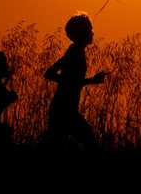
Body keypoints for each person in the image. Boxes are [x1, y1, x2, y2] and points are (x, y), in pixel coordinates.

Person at [44, 13, 109, 150]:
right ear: (82, 33)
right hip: (65, 109)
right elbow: (52, 75)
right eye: (89, 30)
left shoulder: (74, 51)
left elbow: (55, 75)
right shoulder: (75, 53)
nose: (92, 33)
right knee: (89, 141)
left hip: (64, 108)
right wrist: (90, 80)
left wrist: (76, 81)